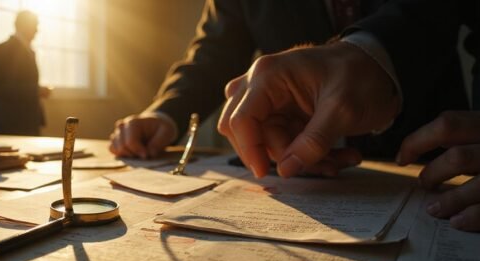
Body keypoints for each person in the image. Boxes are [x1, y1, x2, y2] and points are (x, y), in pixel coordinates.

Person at [219, 0, 480, 231]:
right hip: (310, 171)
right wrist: (175, 115)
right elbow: (215, 49)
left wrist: (369, 52)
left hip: (442, 164)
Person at [109, 0, 389, 160]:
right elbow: (215, 55)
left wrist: (373, 55)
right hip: (292, 156)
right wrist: (164, 114)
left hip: (420, 157)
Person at [0, 10, 52, 136]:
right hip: (12, 119)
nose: (37, 30)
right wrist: (36, 91)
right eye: (35, 25)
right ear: (24, 26)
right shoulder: (2, 50)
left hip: (29, 119)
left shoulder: (29, 51)